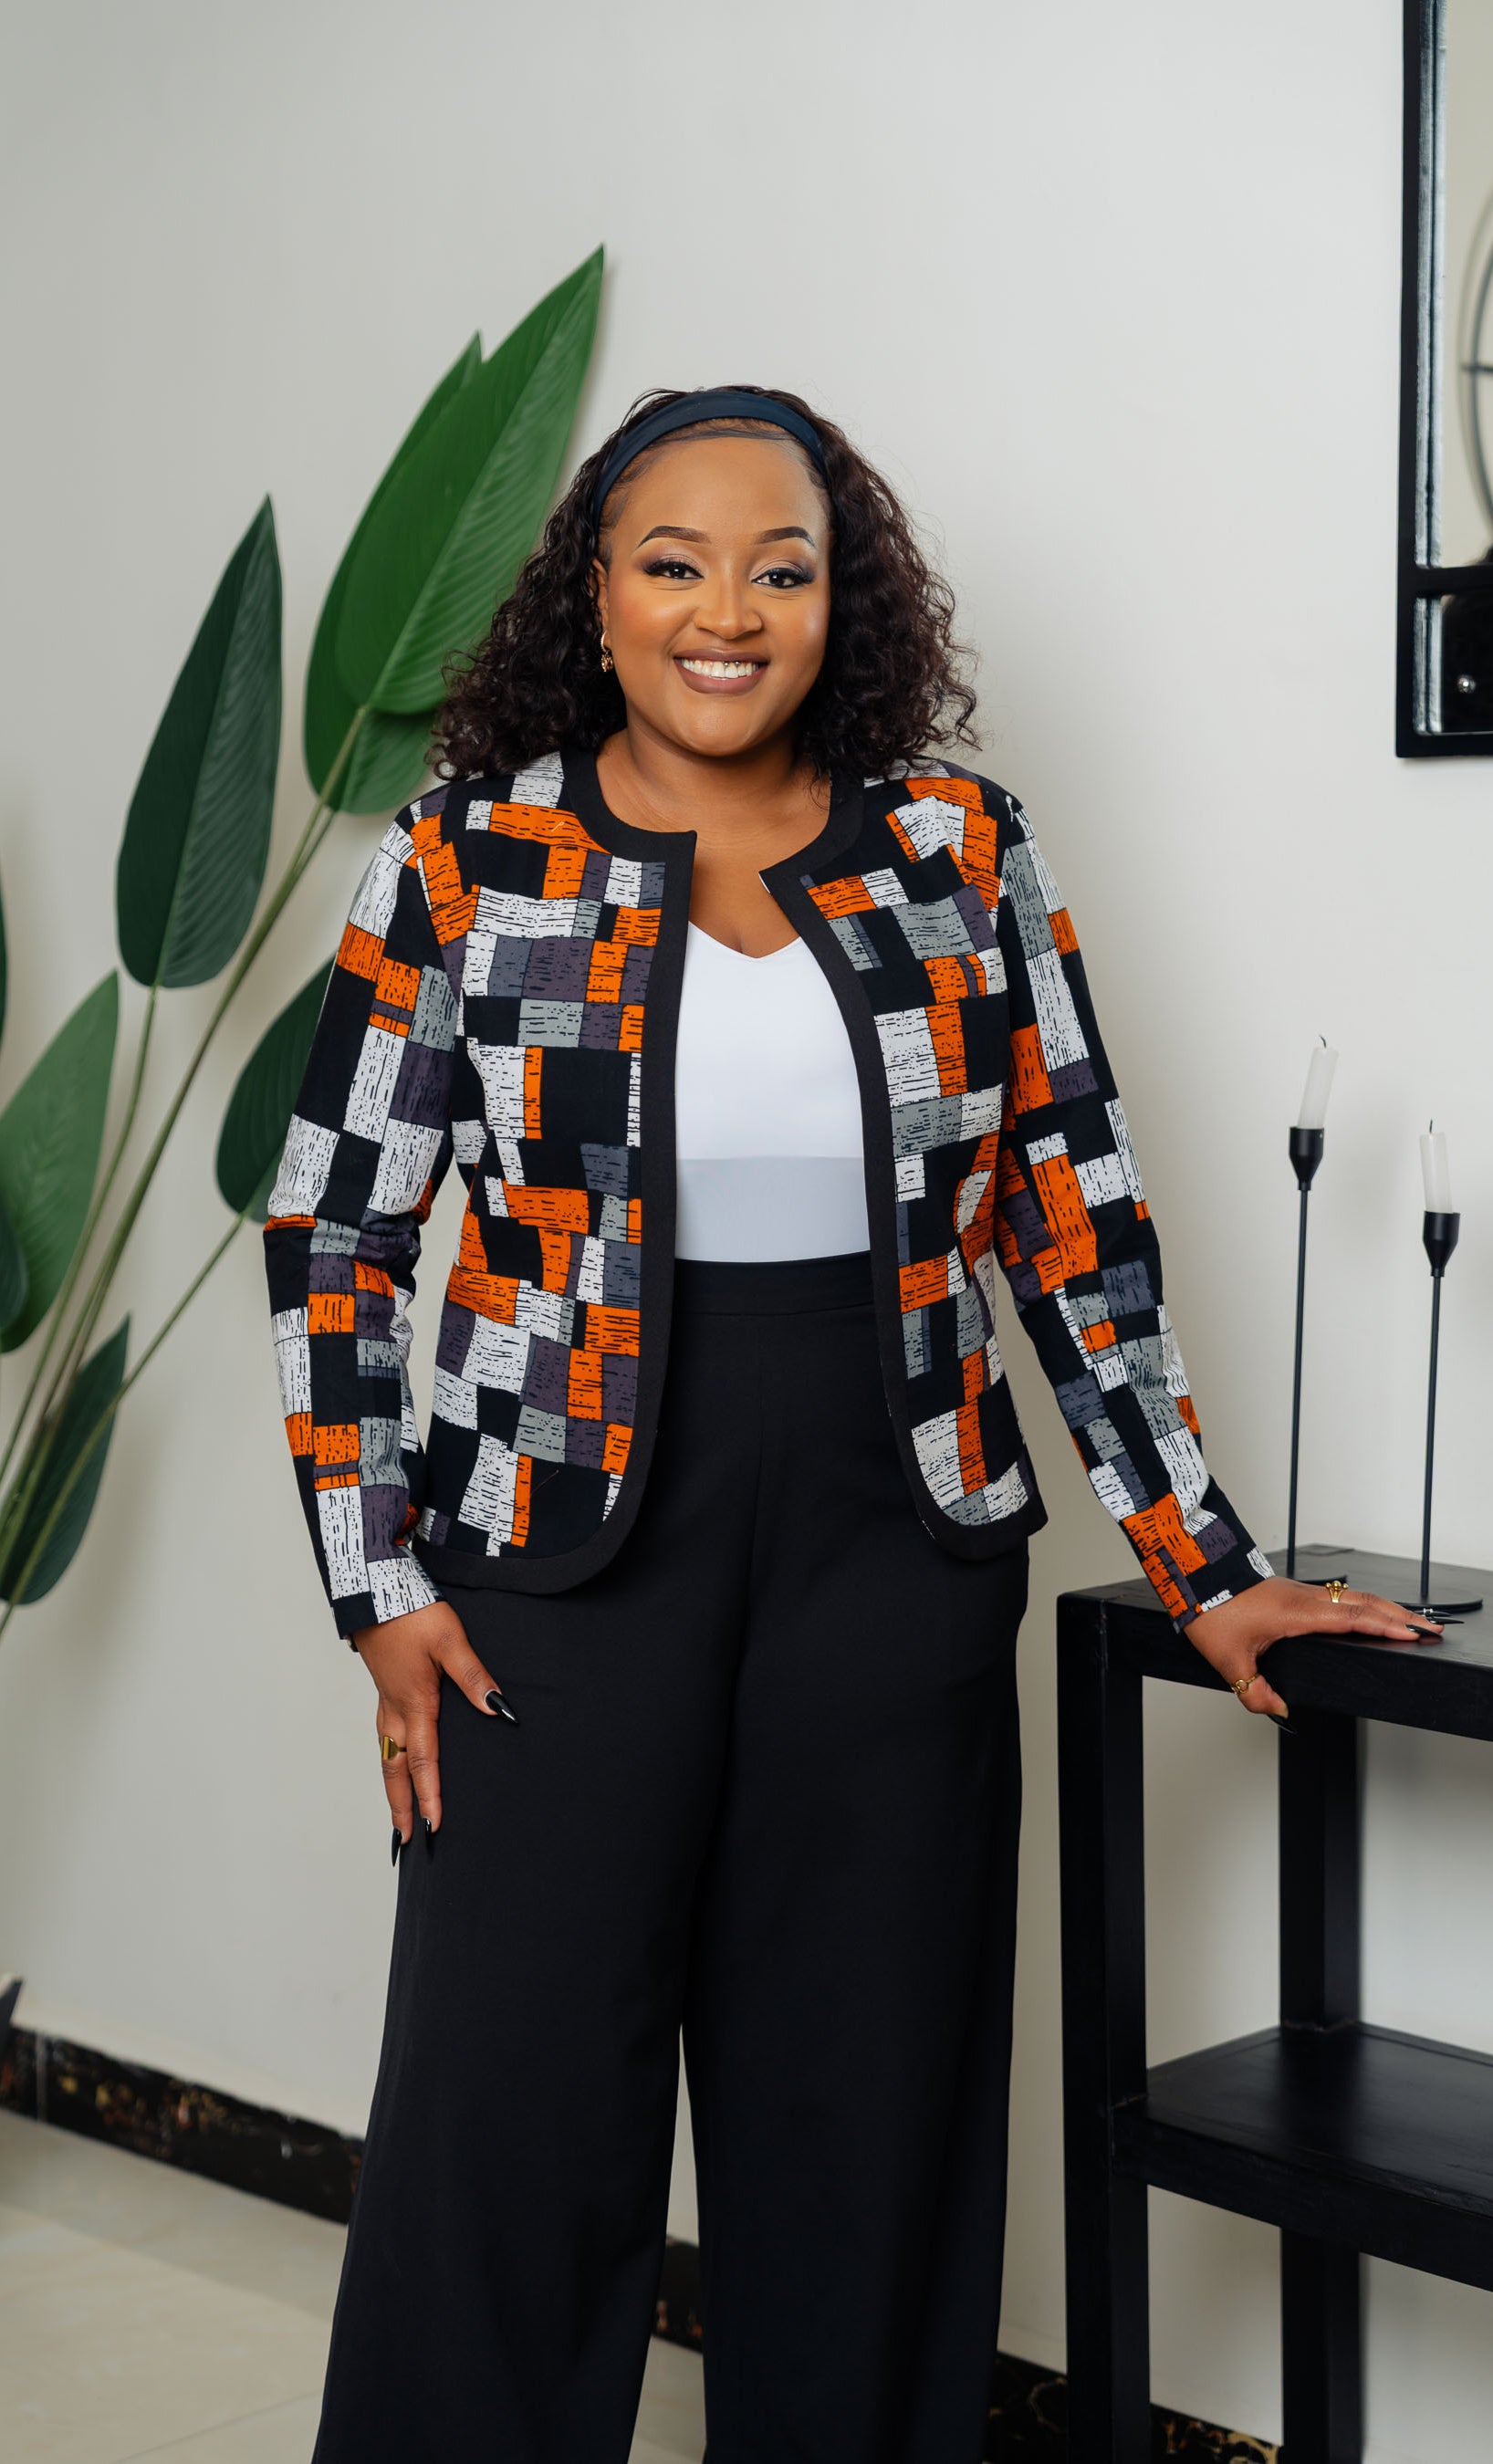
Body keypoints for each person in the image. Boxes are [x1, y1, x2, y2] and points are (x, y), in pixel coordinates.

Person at [263, 383, 1440, 2464]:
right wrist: (377, 1584)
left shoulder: (955, 848)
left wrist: (1206, 1566)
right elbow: (336, 1224)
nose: (727, 613)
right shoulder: (469, 851)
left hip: (888, 1558)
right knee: (502, 2142)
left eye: (780, 569)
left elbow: (1070, 1215)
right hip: (546, 1572)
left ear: (843, 598)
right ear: (596, 596)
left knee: (866, 2151)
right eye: (675, 563)